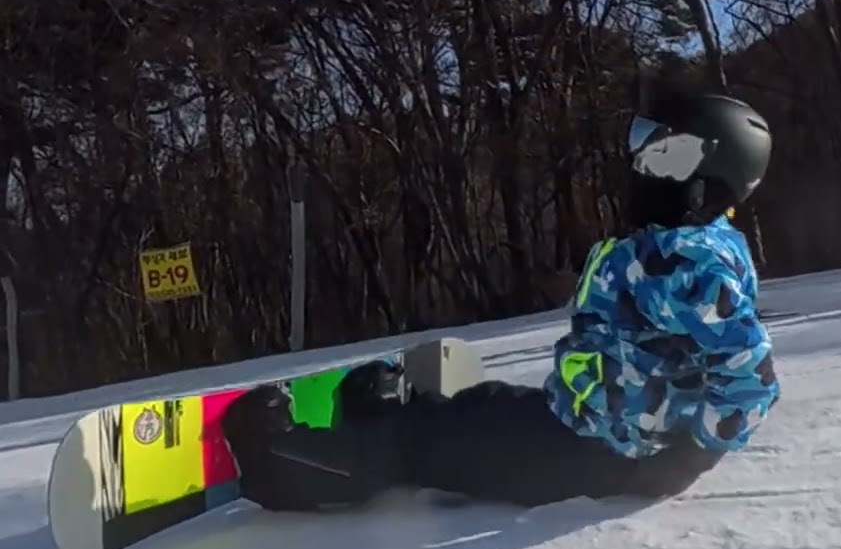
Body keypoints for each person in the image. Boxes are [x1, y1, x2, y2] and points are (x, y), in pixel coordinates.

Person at [220, 91, 782, 510]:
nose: (641, 168)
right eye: (641, 150)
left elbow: (750, 374)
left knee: (418, 450)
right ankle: (400, 415)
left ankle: (278, 464)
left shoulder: (683, 260)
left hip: (590, 454)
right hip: (589, 430)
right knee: (483, 405)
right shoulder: (697, 247)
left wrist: (690, 458)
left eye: (664, 159)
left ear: (709, 180)